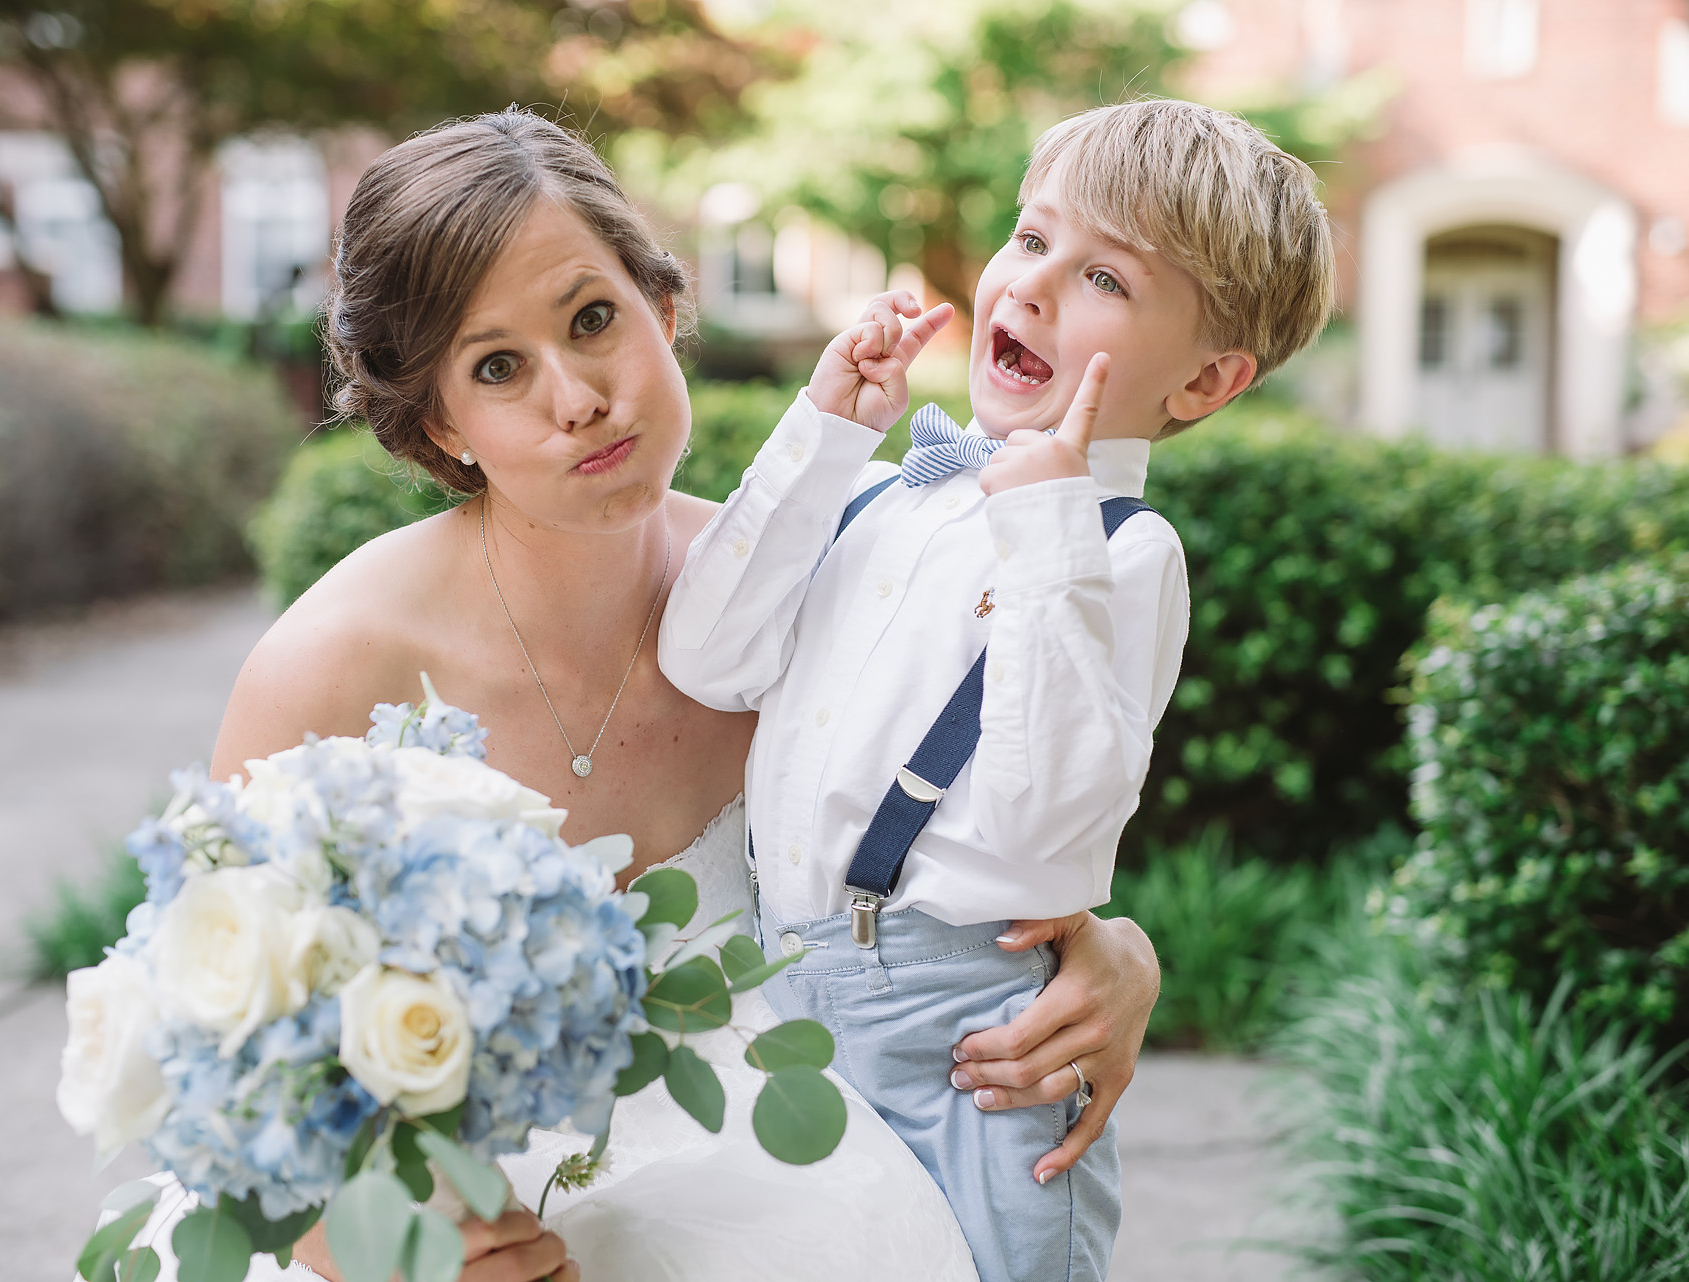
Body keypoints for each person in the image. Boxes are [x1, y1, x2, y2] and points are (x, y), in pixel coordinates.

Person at [203, 109, 1164, 1281]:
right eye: (497, 365)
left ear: (661, 310)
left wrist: (1108, 951)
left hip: (783, 1176)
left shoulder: (809, 597)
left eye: (593, 319)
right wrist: (384, 1245)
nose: (578, 397)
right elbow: (224, 1057)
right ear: (442, 423)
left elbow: (998, 822)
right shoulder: (336, 660)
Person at [658, 98, 1337, 1282]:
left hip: (964, 1046)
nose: (1030, 287)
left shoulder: (1122, 554)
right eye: (1031, 240)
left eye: (1105, 279)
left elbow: (1038, 836)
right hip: (779, 995)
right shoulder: (875, 497)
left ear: (1208, 379)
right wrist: (825, 436)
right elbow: (705, 658)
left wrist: (1041, 532)